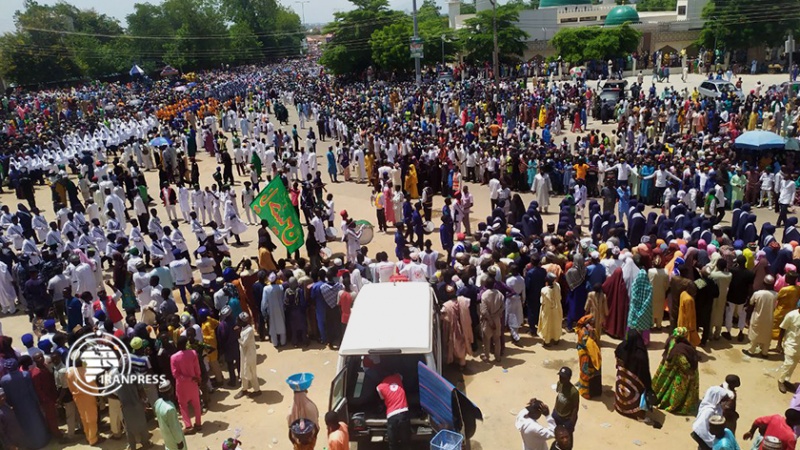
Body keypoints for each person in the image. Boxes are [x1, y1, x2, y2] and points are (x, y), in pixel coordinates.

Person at [0, 358, 50, 449]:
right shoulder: (25, 374)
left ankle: (31, 444)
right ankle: (42, 440)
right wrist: (36, 401)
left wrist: (12, 405)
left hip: (17, 406)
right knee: (36, 422)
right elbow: (31, 390)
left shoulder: (4, 380)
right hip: (30, 403)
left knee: (25, 425)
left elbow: (7, 396)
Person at [652, 327, 701, 415]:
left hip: (667, 366)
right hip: (680, 372)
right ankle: (675, 405)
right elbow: (684, 365)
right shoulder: (681, 349)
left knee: (664, 384)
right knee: (678, 390)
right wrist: (691, 373)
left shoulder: (671, 340)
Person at [614, 330, 652, 420]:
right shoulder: (640, 355)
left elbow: (617, 358)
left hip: (622, 381)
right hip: (634, 384)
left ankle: (620, 407)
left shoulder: (621, 347)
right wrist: (648, 387)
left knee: (622, 390)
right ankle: (634, 412)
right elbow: (645, 373)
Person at [170, 336, 202, 432]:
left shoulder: (173, 357)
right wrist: (198, 378)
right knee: (197, 404)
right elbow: (197, 368)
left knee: (183, 406)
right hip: (193, 383)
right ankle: (198, 424)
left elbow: (175, 374)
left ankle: (188, 426)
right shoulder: (193, 353)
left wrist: (188, 378)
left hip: (182, 385)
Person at [745, 275, 777, 358]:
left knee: (755, 333)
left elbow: (751, 305)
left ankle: (751, 350)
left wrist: (747, 318)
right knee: (767, 334)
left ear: (763, 283)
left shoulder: (757, 293)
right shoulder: (776, 295)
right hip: (769, 318)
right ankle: (764, 352)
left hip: (757, 317)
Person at [376, 373, 410, 450]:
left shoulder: (380, 387)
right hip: (403, 412)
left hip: (392, 415)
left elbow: (382, 398)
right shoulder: (398, 377)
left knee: (393, 443)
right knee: (406, 441)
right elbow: (402, 376)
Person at [154, 380, 187, 450]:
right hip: (174, 439)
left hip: (166, 436)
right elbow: (174, 427)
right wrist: (179, 441)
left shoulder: (158, 402)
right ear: (170, 392)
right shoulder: (170, 409)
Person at [575, 315, 601, 399]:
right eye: (591, 322)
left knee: (586, 372)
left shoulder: (587, 330)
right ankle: (585, 392)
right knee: (586, 373)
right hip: (587, 357)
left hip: (587, 355)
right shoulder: (584, 332)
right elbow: (590, 344)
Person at [236, 311, 261, 399]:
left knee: (251, 372)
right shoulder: (243, 328)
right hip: (244, 354)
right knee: (243, 371)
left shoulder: (249, 330)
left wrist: (237, 335)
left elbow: (244, 343)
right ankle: (244, 389)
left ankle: (257, 390)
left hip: (249, 355)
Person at [539, 272, 563, 345]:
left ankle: (547, 341)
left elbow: (542, 301)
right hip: (557, 307)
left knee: (547, 324)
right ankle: (556, 339)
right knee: (556, 323)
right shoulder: (558, 286)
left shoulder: (544, 290)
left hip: (547, 310)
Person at [552, 367, 579, 432]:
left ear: (569, 378)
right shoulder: (559, 383)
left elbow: (575, 408)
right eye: (560, 376)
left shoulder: (574, 392)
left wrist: (572, 423)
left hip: (566, 418)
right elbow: (558, 396)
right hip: (556, 413)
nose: (561, 378)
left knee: (567, 436)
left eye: (564, 377)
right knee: (556, 432)